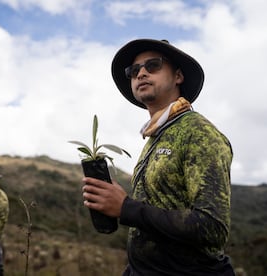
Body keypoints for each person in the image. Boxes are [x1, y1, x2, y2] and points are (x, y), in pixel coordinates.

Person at [82, 39, 234, 275]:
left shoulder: (199, 132)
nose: (141, 73)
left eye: (153, 65)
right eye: (134, 71)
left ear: (178, 76)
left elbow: (212, 228)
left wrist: (126, 208)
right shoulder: (154, 137)